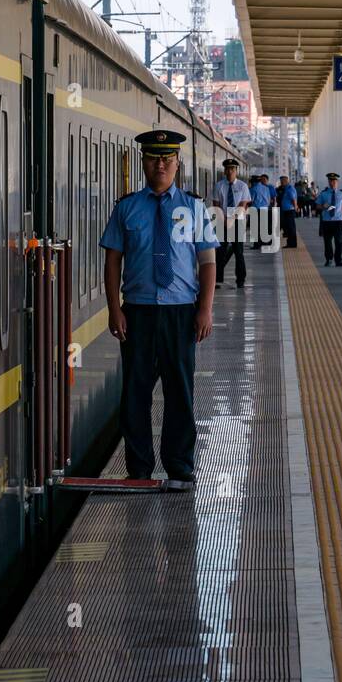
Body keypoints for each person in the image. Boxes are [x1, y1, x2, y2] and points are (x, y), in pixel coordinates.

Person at [101, 129, 218, 489]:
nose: (161, 164)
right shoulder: (127, 208)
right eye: (154, 157)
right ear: (143, 162)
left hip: (181, 312)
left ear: (178, 163)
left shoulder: (194, 208)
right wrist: (114, 309)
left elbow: (208, 262)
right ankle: (139, 468)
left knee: (179, 391)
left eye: (168, 158)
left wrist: (205, 309)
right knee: (135, 391)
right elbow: (112, 262)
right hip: (137, 312)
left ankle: (179, 466)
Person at [213, 158, 251, 287]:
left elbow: (242, 205)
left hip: (237, 222)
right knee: (220, 252)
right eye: (228, 169)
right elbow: (216, 205)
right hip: (221, 222)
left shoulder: (242, 186)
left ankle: (240, 280)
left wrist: (231, 220)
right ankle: (217, 279)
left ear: (236, 171)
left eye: (232, 169)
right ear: (224, 171)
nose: (230, 172)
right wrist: (224, 221)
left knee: (238, 252)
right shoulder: (219, 186)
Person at [315, 172, 342, 267]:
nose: (332, 182)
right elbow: (317, 206)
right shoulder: (323, 194)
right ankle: (329, 259)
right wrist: (323, 207)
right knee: (327, 242)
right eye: (331, 180)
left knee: (339, 241)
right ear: (328, 182)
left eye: (334, 181)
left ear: (337, 182)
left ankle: (338, 260)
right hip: (327, 221)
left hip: (338, 221)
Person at [250, 173, 271, 250]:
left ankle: (256, 245)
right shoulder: (266, 188)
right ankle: (265, 242)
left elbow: (251, 200)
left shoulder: (253, 189)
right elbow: (269, 200)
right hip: (265, 209)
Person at [277, 174, 299, 248]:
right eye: (281, 181)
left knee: (291, 228)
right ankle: (290, 243)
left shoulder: (290, 189)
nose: (281, 182)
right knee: (288, 228)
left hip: (289, 211)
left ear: (286, 181)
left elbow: (293, 199)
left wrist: (295, 207)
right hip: (286, 211)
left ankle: (292, 243)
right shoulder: (286, 188)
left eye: (283, 181)